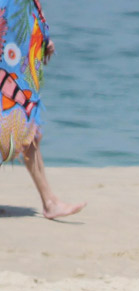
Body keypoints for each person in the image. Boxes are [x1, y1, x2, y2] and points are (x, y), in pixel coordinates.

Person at [0, 0, 85, 219]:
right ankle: (50, 202)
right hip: (11, 70)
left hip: (14, 69)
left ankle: (50, 201)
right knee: (22, 129)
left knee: (25, 130)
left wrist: (43, 38)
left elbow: (26, 9)